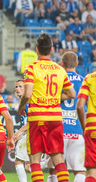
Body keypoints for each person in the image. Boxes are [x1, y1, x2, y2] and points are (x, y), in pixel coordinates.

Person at [17, 34, 76, 182]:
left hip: (37, 117)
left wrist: (21, 106)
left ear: (37, 50)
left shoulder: (31, 68)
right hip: (55, 118)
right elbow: (72, 93)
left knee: (35, 160)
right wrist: (55, 97)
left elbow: (27, 94)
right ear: (51, 49)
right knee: (58, 159)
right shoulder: (60, 70)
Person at [46, 52, 86, 182]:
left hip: (58, 129)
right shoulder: (84, 81)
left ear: (61, 63)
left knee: (54, 169)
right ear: (77, 64)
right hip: (77, 129)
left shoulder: (56, 81)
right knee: (79, 170)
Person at [77, 59, 96, 182]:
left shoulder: (89, 78)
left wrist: (84, 126)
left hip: (92, 127)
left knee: (91, 170)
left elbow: (79, 106)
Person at [13, 79, 30, 182]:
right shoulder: (23, 101)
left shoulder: (27, 101)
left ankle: (46, 165)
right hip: (30, 133)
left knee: (18, 161)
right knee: (28, 166)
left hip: (30, 134)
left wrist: (19, 132)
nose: (17, 89)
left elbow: (32, 121)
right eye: (16, 87)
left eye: (20, 87)